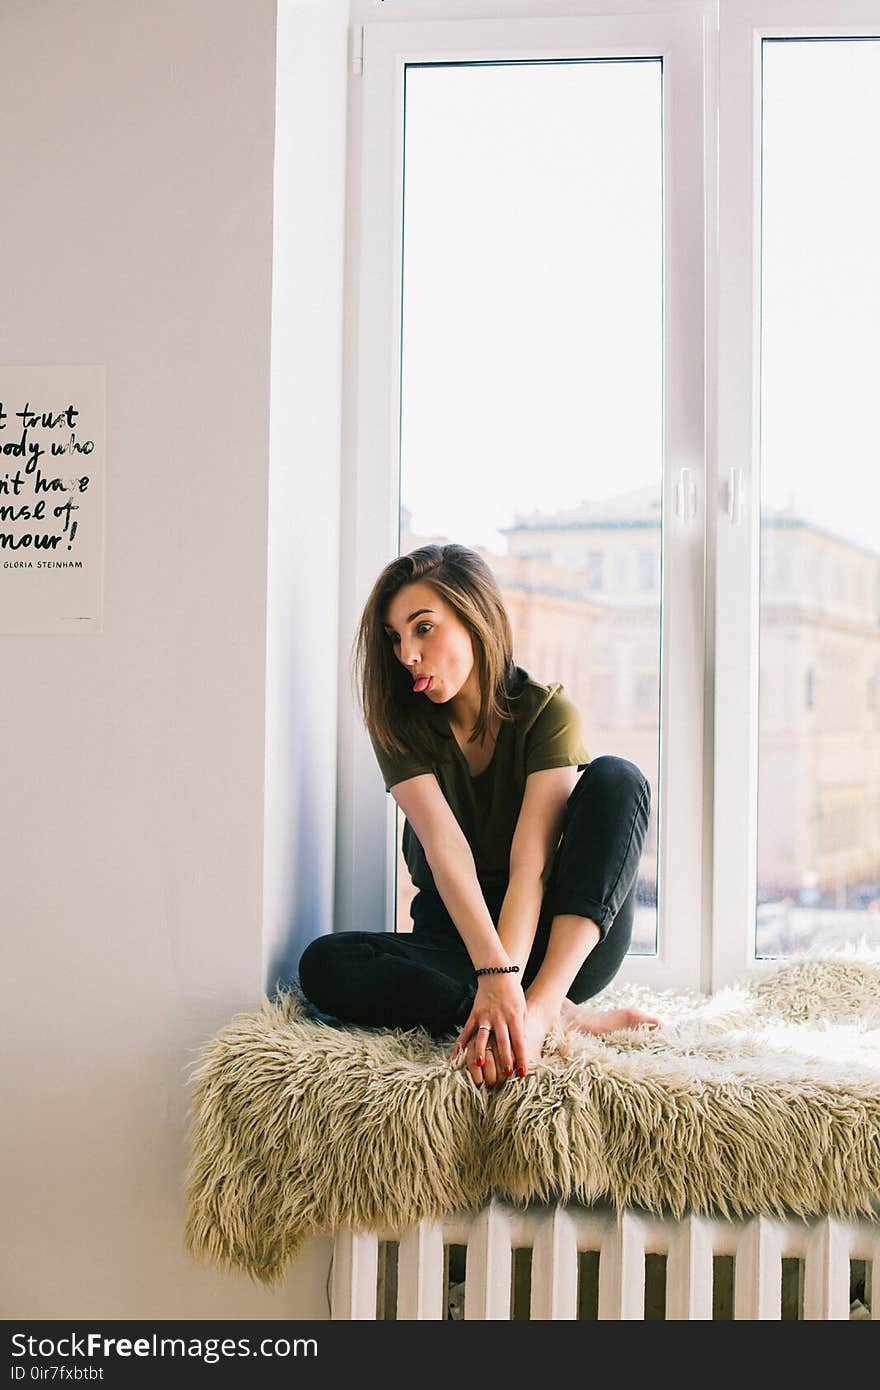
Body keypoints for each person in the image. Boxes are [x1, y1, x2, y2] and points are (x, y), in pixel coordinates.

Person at [298, 543, 661, 1088]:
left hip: (555, 936)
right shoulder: (400, 724)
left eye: (423, 628)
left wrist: (514, 989)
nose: (406, 654)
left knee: (619, 778)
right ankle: (548, 1017)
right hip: (458, 940)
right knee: (324, 964)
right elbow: (447, 853)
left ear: (474, 617)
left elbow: (530, 867)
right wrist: (492, 977)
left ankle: (541, 1010)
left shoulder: (547, 713)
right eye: (395, 637)